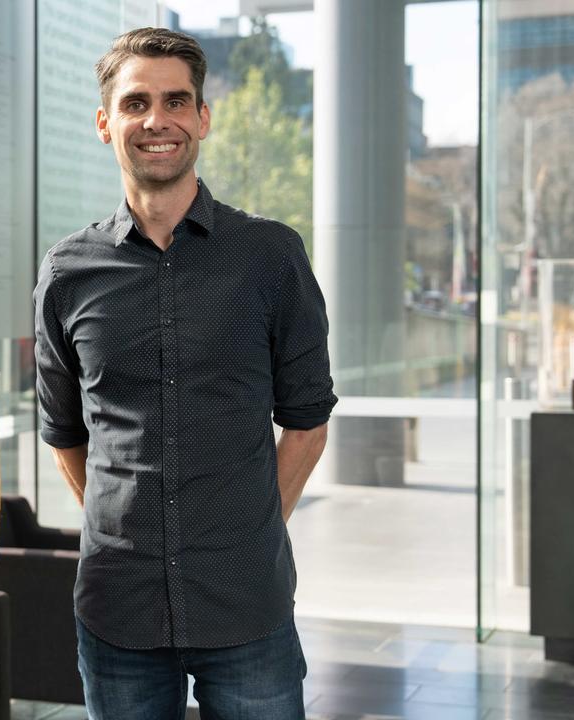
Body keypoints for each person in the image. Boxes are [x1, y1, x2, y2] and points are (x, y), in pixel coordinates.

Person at [33, 28, 337, 720]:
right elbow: (65, 435)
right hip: (118, 609)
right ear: (106, 122)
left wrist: (249, 530)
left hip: (246, 602)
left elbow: (307, 425)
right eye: (136, 102)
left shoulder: (270, 256)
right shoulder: (66, 272)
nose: (157, 120)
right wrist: (129, 530)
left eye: (176, 101)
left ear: (202, 117)